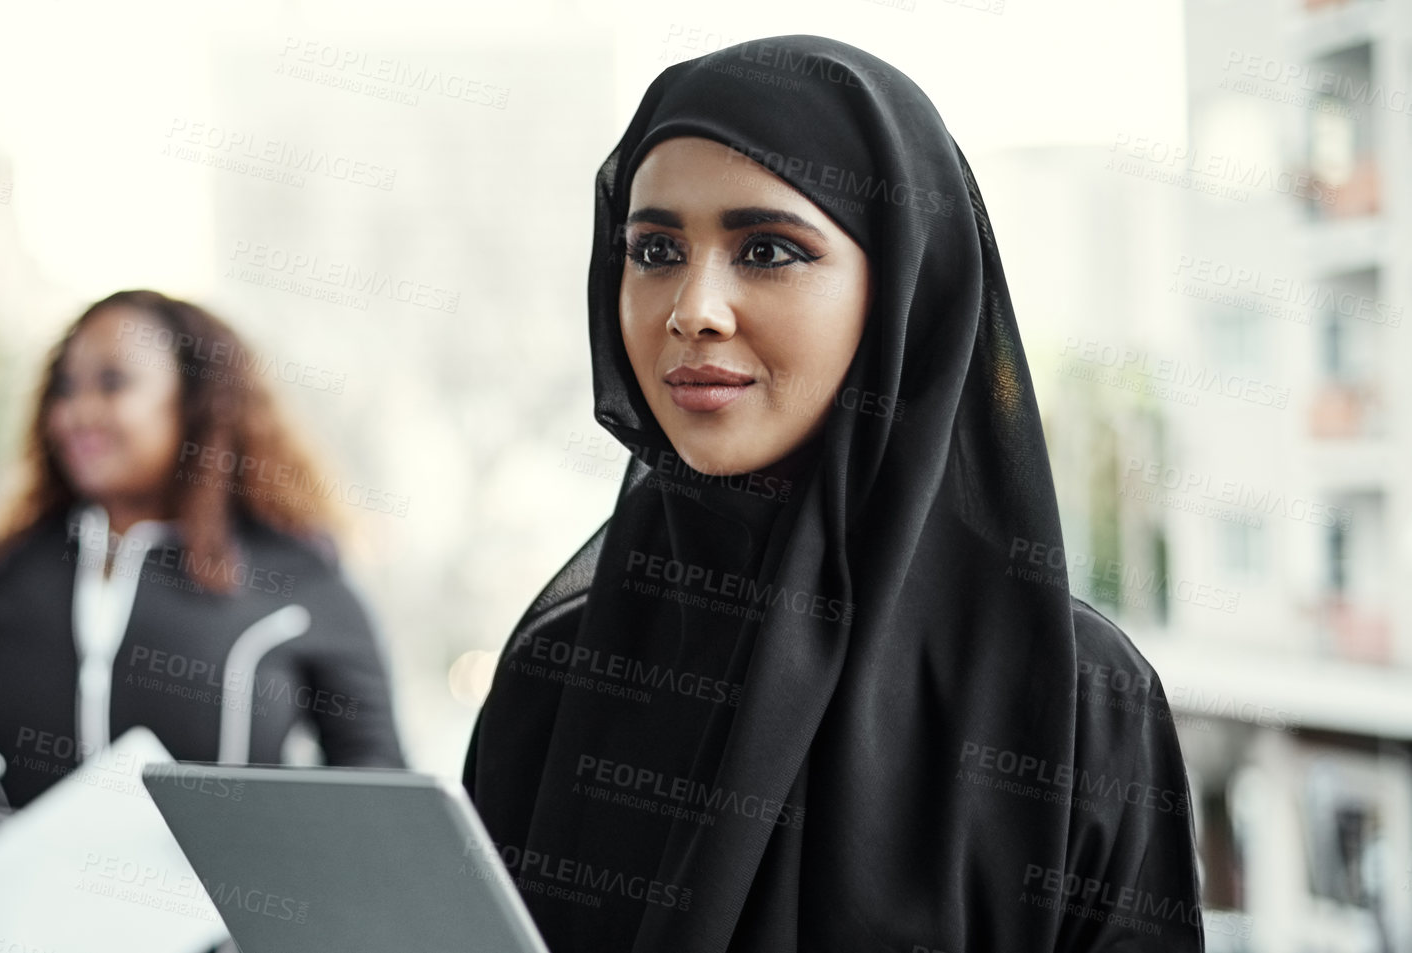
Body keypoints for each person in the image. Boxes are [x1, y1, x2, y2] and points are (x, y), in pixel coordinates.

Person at [463, 36, 1204, 953]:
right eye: (653, 248)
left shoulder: (1072, 698)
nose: (692, 308)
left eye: (767, 249)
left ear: (902, 290)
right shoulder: (564, 664)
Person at [0, 289, 404, 837]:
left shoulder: (297, 578)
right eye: (65, 389)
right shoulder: (5, 571)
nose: (76, 413)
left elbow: (380, 792)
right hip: (12, 915)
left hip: (224, 918)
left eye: (113, 383)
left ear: (197, 401)